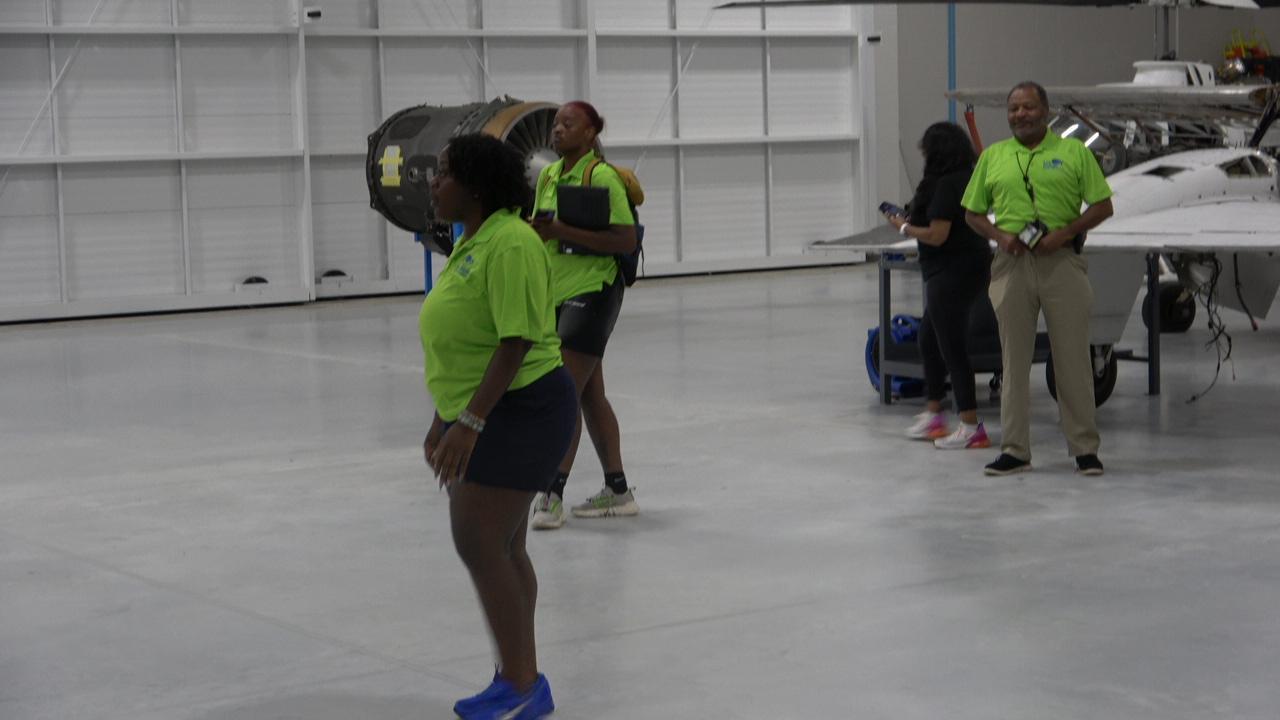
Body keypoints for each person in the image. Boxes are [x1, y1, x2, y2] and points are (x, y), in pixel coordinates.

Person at [420, 133, 576, 719]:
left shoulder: (510, 241)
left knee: (480, 540)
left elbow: (514, 343)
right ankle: (519, 675)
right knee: (502, 546)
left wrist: (468, 422)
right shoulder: (474, 240)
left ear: (476, 186)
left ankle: (521, 684)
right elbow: (470, 340)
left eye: (443, 173)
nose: (433, 183)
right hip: (488, 410)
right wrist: (442, 418)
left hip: (520, 409)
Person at [961, 81, 1114, 476]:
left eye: (1028, 107)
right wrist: (1000, 236)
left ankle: (1084, 449)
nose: (1020, 115)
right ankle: (1015, 450)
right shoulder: (994, 157)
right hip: (1011, 265)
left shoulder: (1074, 153)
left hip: (1062, 263)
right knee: (1013, 361)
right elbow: (972, 214)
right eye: (1014, 109)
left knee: (1073, 360)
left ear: (1045, 112)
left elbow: (1103, 206)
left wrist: (1065, 233)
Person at [527, 100, 640, 530]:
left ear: (591, 133)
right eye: (555, 124)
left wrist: (561, 231)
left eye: (568, 124)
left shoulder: (602, 176)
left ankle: (551, 494)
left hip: (594, 292)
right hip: (557, 293)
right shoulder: (549, 176)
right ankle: (618, 490)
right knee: (590, 395)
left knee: (563, 394)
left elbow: (625, 239)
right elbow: (544, 232)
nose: (557, 130)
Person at [885, 121, 993, 450]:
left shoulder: (946, 185)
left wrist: (903, 227)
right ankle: (935, 414)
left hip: (949, 272)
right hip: (970, 266)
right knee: (929, 339)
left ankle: (970, 425)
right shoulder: (968, 176)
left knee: (951, 347)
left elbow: (937, 234)